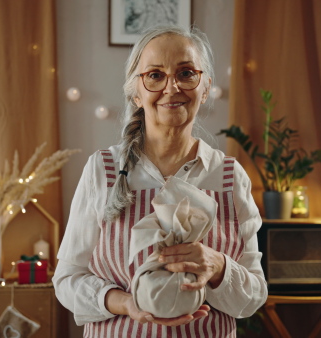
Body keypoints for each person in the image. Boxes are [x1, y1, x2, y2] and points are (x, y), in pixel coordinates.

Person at [53, 25, 267, 337]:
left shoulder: (230, 177)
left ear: (205, 87)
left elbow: (253, 296)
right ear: (135, 92)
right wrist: (126, 303)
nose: (172, 88)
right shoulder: (103, 169)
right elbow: (67, 279)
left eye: (186, 73)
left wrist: (219, 267)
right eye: (155, 75)